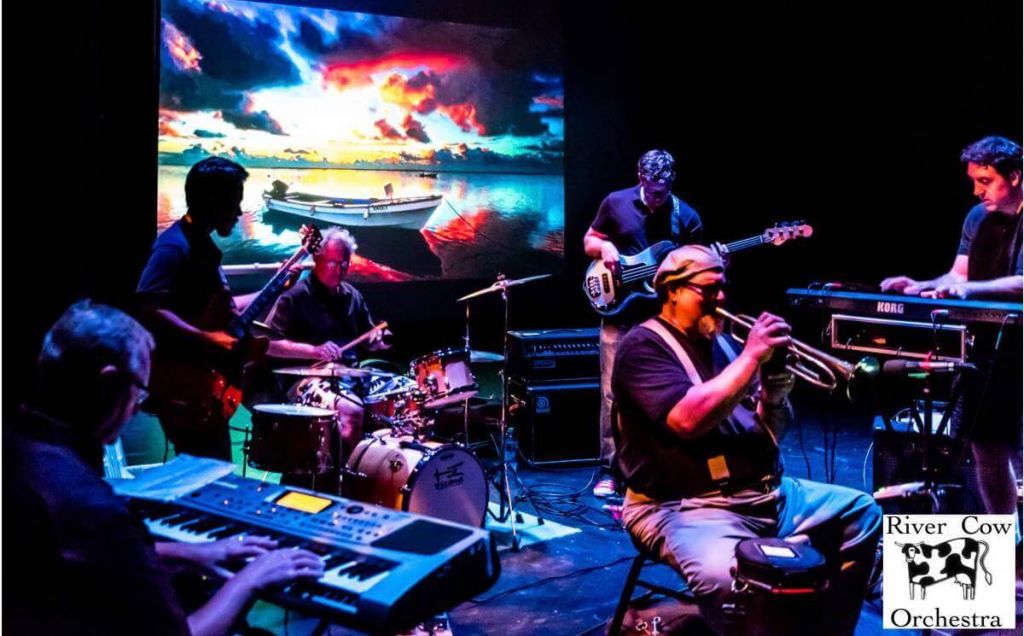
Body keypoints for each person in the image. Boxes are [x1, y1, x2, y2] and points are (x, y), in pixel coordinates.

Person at [3, 300, 324, 635]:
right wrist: (251, 579)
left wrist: (193, 553)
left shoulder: (17, 448)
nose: (136, 410)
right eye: (140, 393)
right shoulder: (91, 505)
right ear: (109, 383)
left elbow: (102, 559)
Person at [614, 245, 882, 634]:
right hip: (682, 507)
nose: (721, 298)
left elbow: (769, 433)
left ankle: (830, 628)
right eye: (709, 289)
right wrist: (751, 357)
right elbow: (687, 420)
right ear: (672, 290)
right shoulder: (643, 347)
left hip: (762, 495)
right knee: (729, 581)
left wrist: (774, 395)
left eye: (723, 286)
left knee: (862, 512)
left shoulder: (724, 344)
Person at [881, 135, 1022, 516]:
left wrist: (967, 290)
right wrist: (922, 285)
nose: (977, 191)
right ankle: (1006, 538)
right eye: (974, 181)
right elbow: (958, 275)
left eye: (985, 181)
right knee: (986, 446)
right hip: (988, 348)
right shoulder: (978, 218)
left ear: (1014, 176)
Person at [583, 149, 703, 497]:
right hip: (619, 314)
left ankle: (656, 468)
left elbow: (697, 267)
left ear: (672, 183)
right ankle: (610, 470)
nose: (655, 199)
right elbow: (589, 239)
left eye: (662, 193)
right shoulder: (615, 202)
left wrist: (716, 263)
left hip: (662, 322)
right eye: (651, 192)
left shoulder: (687, 217)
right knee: (612, 394)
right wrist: (603, 249)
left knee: (663, 393)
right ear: (640, 178)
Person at [136, 157, 261, 460]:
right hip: (183, 388)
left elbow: (216, 308)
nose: (239, 212)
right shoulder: (173, 247)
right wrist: (206, 338)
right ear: (213, 200)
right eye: (234, 202)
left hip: (200, 387)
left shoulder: (201, 246)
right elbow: (149, 307)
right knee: (210, 469)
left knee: (211, 468)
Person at [261, 227, 390, 488]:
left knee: (405, 399)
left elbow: (370, 337)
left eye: (345, 263)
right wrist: (315, 351)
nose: (339, 269)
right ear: (318, 260)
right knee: (352, 411)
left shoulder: (353, 297)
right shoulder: (295, 296)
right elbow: (268, 345)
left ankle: (384, 481)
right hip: (305, 381)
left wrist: (378, 340)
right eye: (333, 262)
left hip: (348, 377)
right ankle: (345, 486)